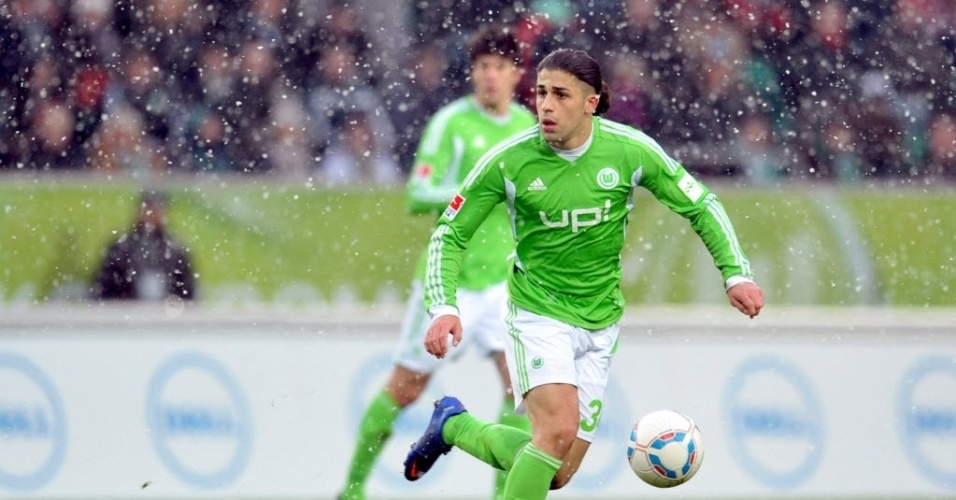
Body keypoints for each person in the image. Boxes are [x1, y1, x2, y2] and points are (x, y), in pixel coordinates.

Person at [403, 48, 765, 499]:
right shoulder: (509, 160)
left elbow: (700, 204)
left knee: (556, 471)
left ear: (591, 102)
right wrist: (443, 306)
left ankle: (454, 425)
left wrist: (736, 274)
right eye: (539, 93)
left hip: (600, 317)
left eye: (560, 95)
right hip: (537, 311)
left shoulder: (629, 151)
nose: (546, 105)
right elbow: (450, 233)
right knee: (555, 431)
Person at [337, 26, 537, 500]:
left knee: (524, 392)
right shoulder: (451, 123)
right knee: (405, 388)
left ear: (516, 73)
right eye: (483, 67)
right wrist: (475, 190)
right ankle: (351, 490)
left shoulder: (527, 125)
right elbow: (416, 194)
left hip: (503, 285)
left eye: (500, 68)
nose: (491, 77)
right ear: (473, 73)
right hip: (451, 282)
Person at [91, 190, 196, 301]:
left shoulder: (177, 251)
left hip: (165, 314)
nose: (152, 215)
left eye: (156, 210)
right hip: (126, 313)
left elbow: (187, 292)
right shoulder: (120, 249)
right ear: (139, 212)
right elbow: (105, 289)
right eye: (148, 209)